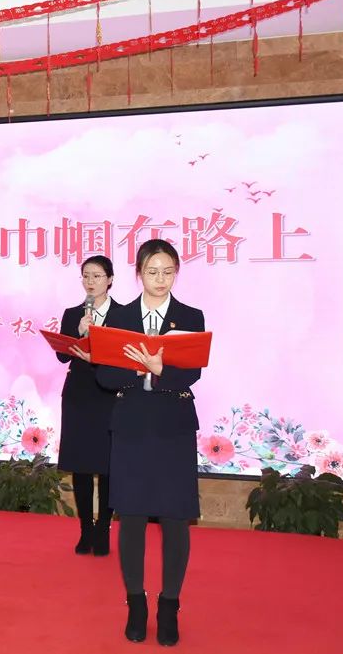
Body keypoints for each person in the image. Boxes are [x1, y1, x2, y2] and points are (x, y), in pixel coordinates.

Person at [95, 239, 205, 647]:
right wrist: (138, 367)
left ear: (176, 273)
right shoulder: (119, 316)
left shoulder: (190, 316)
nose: (160, 280)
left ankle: (170, 605)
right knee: (133, 518)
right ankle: (136, 605)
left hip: (173, 426)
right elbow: (104, 375)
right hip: (132, 426)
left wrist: (161, 369)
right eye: (153, 272)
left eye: (168, 272)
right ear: (139, 273)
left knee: (176, 519)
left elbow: (193, 372)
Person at [55, 255, 119, 557]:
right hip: (78, 395)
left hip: (109, 395)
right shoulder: (72, 314)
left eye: (97, 276)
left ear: (110, 279)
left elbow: (124, 356)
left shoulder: (123, 314)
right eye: (86, 276)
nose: (90, 282)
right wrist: (78, 333)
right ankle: (85, 530)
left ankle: (103, 528)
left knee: (108, 467)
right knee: (80, 465)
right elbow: (62, 356)